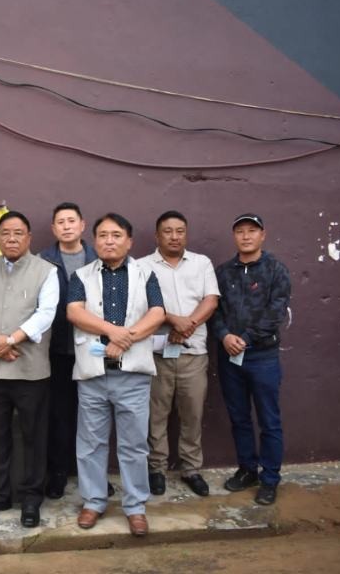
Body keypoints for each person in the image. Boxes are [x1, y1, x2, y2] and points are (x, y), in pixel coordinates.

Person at [67, 213, 165, 537]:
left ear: (129, 241)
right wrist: (114, 332)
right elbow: (74, 312)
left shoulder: (146, 272)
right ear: (95, 240)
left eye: (117, 235)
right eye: (104, 235)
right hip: (93, 374)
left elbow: (157, 313)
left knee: (134, 445)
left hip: (133, 375)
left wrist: (128, 338)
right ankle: (94, 501)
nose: (110, 240)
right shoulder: (81, 275)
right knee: (90, 444)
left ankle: (135, 507)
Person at [0, 210, 58, 528]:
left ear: (29, 238)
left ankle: (31, 499)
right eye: (5, 233)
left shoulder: (46, 271)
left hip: (30, 369)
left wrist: (12, 339)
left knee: (34, 435)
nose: (12, 238)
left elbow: (46, 313)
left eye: (18, 233)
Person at [210, 214, 291, 506]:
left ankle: (270, 479)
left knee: (269, 420)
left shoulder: (276, 270)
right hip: (230, 355)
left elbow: (276, 312)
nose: (246, 236)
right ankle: (247, 469)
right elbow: (213, 308)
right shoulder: (223, 272)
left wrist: (244, 337)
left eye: (252, 231)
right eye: (240, 232)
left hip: (262, 356)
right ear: (234, 236)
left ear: (262, 235)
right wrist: (224, 336)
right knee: (239, 417)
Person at [137, 211, 219, 497]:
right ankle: (156, 468)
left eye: (180, 231)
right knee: (155, 415)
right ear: (157, 235)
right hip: (156, 354)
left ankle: (191, 469)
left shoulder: (201, 263)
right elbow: (140, 306)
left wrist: (187, 326)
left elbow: (211, 300)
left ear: (186, 233)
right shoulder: (141, 266)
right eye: (168, 231)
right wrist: (173, 319)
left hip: (193, 355)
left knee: (192, 414)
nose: (174, 236)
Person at [38, 202, 97, 499]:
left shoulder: (99, 256)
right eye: (60, 222)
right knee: (59, 415)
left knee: (93, 415)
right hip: (58, 349)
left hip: (95, 348)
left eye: (71, 220)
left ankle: (95, 476)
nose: (66, 226)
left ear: (82, 225)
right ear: (53, 228)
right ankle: (58, 473)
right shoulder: (43, 260)